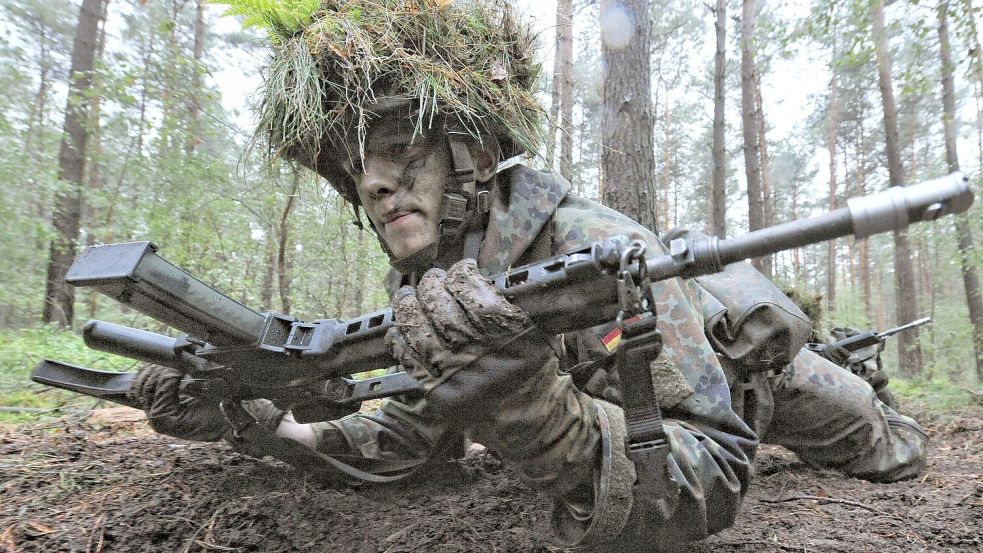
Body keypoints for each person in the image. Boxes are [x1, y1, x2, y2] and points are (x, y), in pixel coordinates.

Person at [127, 1, 925, 549]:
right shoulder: (430, 281)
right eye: (357, 170)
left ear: (471, 156)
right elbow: (406, 437)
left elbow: (714, 474)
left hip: (748, 380)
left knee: (890, 451)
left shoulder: (599, 248)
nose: (374, 183)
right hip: (630, 409)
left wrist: (536, 412)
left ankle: (857, 368)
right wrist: (259, 422)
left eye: (401, 151)